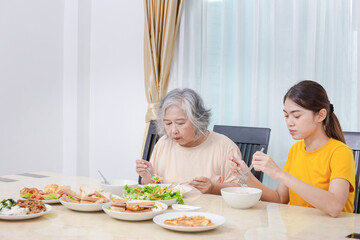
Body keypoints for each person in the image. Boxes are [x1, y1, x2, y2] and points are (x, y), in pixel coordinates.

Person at [229, 80, 356, 217]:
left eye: (296, 116)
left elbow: (334, 206)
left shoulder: (340, 152)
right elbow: (280, 199)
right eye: (286, 116)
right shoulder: (296, 149)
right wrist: (248, 177)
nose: (289, 122)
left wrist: (279, 173)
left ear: (321, 115)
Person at [136, 88, 240, 194]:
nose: (173, 131)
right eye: (168, 123)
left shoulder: (224, 146)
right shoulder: (163, 144)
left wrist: (213, 187)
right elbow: (154, 191)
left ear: (198, 120)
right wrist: (148, 178)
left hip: (209, 210)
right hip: (170, 209)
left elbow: (240, 189)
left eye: (180, 123)